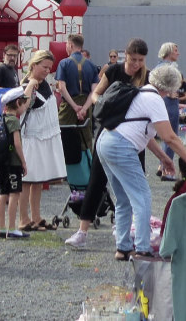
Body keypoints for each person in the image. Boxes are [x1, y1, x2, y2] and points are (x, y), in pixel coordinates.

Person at [65, 38, 171, 249]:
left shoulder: (146, 77)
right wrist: (103, 104)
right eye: (133, 59)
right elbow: (96, 93)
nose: (136, 64)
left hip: (134, 139)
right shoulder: (113, 71)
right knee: (96, 181)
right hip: (109, 130)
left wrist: (161, 155)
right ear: (126, 54)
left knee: (132, 191)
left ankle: (130, 233)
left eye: (141, 60)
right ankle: (82, 231)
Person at [97, 64, 186, 260]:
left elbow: (145, 135)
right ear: (171, 87)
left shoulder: (141, 93)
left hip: (105, 142)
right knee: (142, 197)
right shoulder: (155, 99)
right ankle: (142, 248)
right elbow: (170, 137)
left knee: (124, 199)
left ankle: (123, 248)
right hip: (121, 147)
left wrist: (164, 158)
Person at [17, 49, 67, 233]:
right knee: (27, 181)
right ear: (34, 65)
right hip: (31, 138)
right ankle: (23, 219)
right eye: (44, 67)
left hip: (44, 137)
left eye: (49, 68)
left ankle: (36, 217)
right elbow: (21, 108)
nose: (47, 71)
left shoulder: (45, 84)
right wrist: (30, 84)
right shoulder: (26, 84)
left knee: (38, 181)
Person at [0, 87, 29, 239]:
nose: (24, 108)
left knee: (3, 194)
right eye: (23, 104)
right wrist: (23, 162)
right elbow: (17, 144)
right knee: (14, 194)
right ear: (17, 102)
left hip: (2, 162)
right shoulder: (14, 121)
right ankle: (12, 228)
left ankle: (2, 228)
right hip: (13, 163)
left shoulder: (1, 119)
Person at [55, 34, 98, 151]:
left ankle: (65, 167)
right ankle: (86, 167)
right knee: (86, 139)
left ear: (70, 45)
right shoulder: (92, 65)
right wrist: (84, 109)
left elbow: (62, 87)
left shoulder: (63, 63)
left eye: (66, 45)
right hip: (86, 105)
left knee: (63, 136)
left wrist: (74, 107)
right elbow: (94, 91)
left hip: (68, 106)